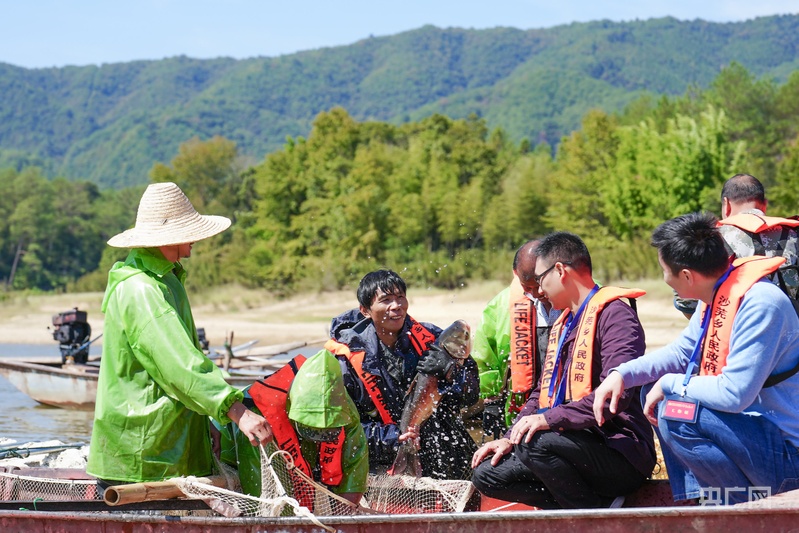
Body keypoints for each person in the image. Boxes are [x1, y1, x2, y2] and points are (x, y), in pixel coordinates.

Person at [594, 212, 799, 505]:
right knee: (654, 393)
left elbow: (735, 394)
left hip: (787, 456)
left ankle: (739, 507)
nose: (665, 280)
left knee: (674, 410)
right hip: (755, 438)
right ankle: (697, 499)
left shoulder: (761, 303)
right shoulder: (716, 296)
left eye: (665, 271)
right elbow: (680, 353)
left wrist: (668, 383)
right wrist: (622, 374)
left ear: (687, 275)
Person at [86, 182, 273, 489]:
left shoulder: (165, 278)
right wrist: (237, 411)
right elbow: (179, 365)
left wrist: (204, 424)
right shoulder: (142, 289)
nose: (195, 243)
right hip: (145, 455)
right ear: (169, 237)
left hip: (168, 444)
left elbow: (177, 368)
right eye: (191, 234)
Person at [471, 232, 655, 509]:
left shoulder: (615, 316)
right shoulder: (566, 321)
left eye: (540, 280)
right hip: (568, 444)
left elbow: (614, 399)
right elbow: (540, 391)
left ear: (559, 271)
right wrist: (509, 437)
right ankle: (584, 507)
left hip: (618, 450)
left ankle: (589, 517)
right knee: (488, 473)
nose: (539, 291)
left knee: (535, 442)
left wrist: (548, 420)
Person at [322, 269, 480, 480]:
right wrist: (395, 437)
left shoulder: (433, 339)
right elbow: (342, 429)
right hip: (383, 456)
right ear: (365, 310)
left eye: (400, 298)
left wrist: (450, 371)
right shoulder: (346, 358)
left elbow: (470, 395)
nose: (396, 306)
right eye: (386, 300)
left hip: (443, 447)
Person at [222, 351, 369, 505]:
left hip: (306, 461)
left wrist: (344, 517)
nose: (319, 437)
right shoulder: (257, 416)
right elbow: (263, 496)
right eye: (311, 430)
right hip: (236, 455)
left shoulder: (342, 405)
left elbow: (355, 463)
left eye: (328, 432)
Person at [674, 173, 799, 317]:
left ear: (726, 204)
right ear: (764, 205)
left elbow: (688, 303)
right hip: (792, 333)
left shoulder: (710, 238)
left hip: (734, 334)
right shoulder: (794, 234)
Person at [472, 240, 561, 439]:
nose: (537, 293)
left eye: (539, 284)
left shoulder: (578, 297)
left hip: (567, 401)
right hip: (520, 404)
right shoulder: (500, 305)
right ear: (515, 273)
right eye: (527, 286)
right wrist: (491, 402)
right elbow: (486, 357)